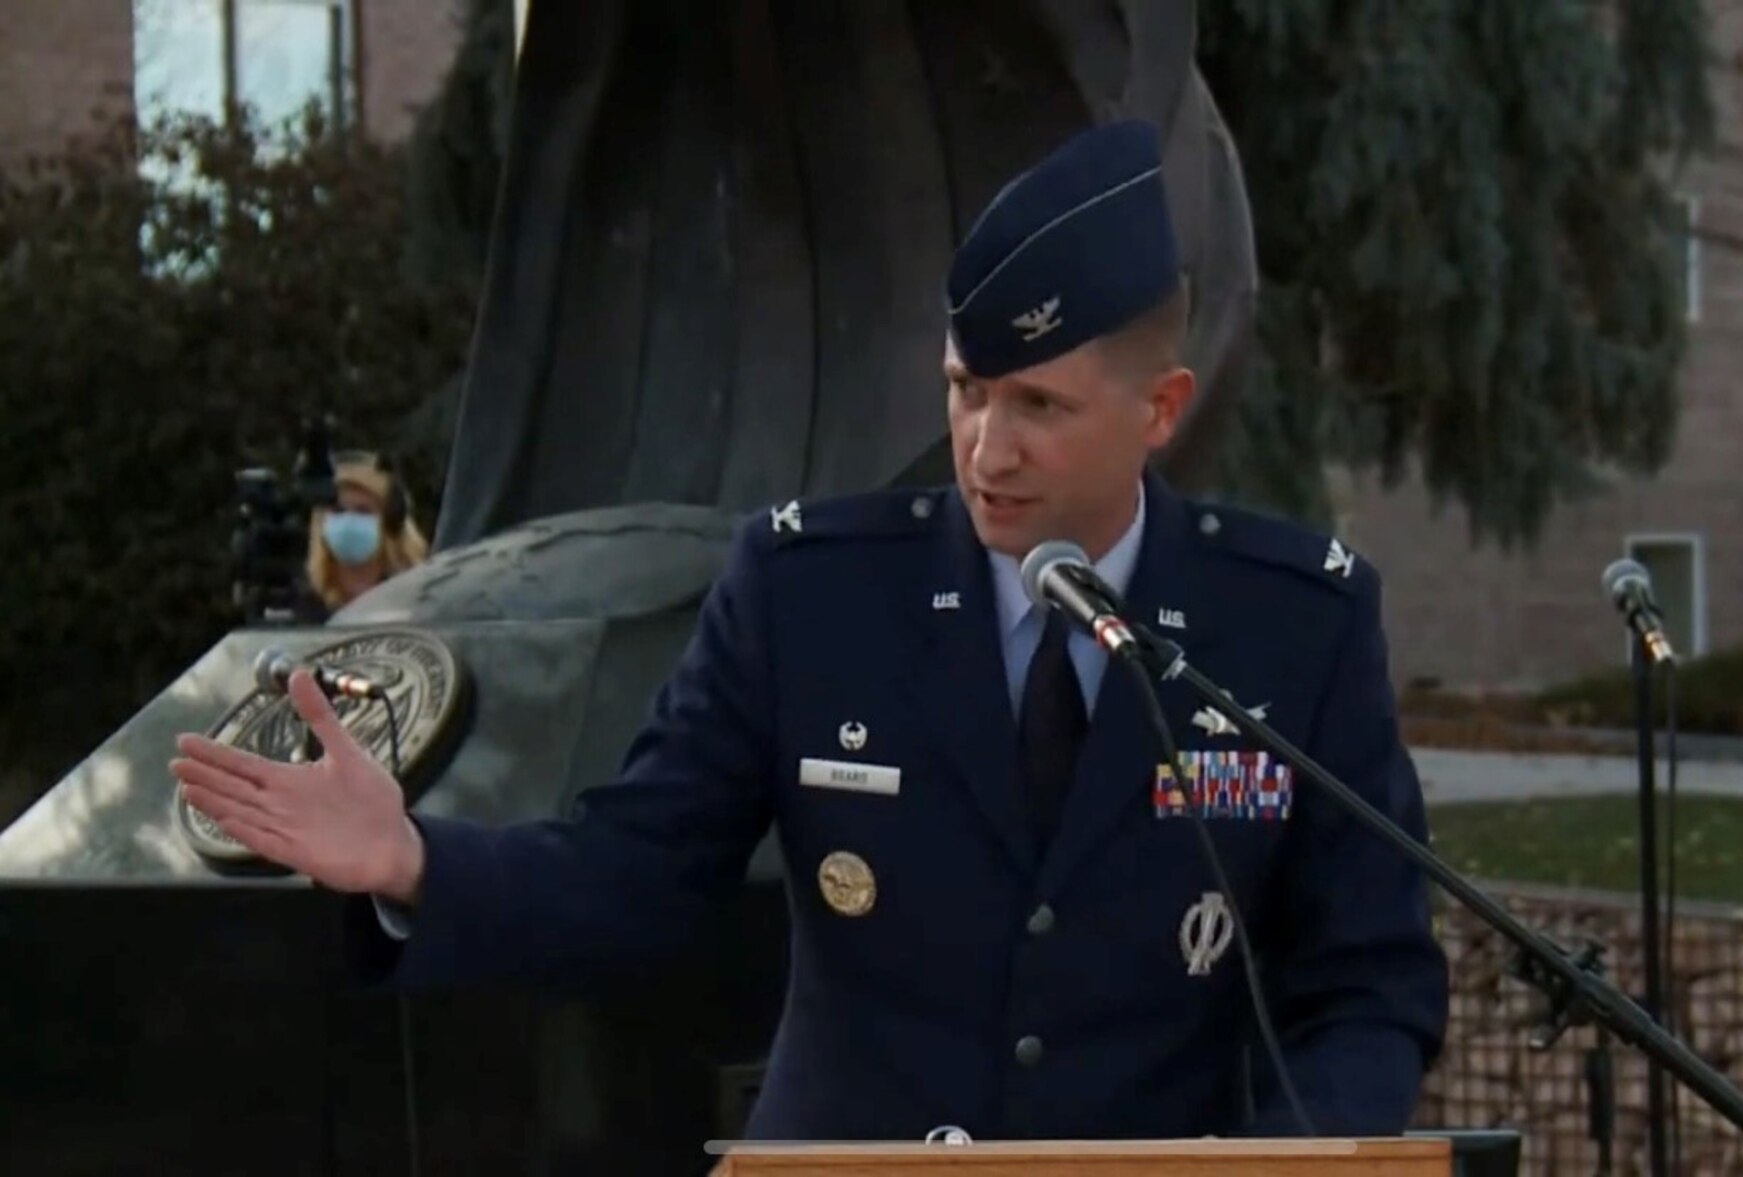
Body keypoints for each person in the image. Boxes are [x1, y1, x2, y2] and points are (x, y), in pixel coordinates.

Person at [170, 120, 1448, 1144]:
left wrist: (1286, 1155)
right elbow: (635, 873)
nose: (985, 451)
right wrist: (415, 864)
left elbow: (1369, 985)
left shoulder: (1288, 625)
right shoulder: (812, 592)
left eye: (1039, 406)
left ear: (1159, 409)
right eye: (964, 391)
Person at [302, 451, 430, 618]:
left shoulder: (420, 604)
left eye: (363, 511)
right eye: (338, 510)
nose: (348, 520)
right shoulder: (303, 610)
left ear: (391, 522)